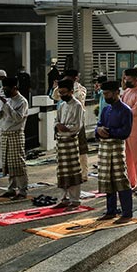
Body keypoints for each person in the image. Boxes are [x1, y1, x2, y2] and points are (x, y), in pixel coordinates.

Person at [96, 81, 134, 223]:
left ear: (116, 92)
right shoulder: (106, 109)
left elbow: (125, 132)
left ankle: (127, 213)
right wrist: (98, 130)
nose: (105, 96)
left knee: (121, 180)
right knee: (108, 179)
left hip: (117, 148)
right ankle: (111, 211)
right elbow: (99, 125)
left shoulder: (125, 110)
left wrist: (109, 132)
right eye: (104, 94)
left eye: (107, 94)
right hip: (105, 149)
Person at [0, 76, 29, 198]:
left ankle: (22, 190)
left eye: (7, 88)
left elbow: (18, 117)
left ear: (15, 88)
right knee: (8, 164)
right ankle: (11, 188)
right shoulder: (8, 101)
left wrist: (6, 105)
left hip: (16, 134)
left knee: (18, 163)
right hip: (5, 134)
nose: (5, 91)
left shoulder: (22, 101)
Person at [51, 69, 88, 176]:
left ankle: (83, 173)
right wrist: (60, 86)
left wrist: (70, 86)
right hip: (63, 121)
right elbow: (55, 96)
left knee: (81, 149)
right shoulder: (62, 94)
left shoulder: (80, 89)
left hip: (77, 122)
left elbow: (77, 98)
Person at [54, 79, 85, 208]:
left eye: (64, 93)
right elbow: (56, 120)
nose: (62, 95)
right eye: (60, 93)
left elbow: (78, 125)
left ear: (71, 92)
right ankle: (64, 198)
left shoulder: (78, 105)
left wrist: (65, 128)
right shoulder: (61, 105)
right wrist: (58, 126)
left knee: (73, 172)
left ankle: (75, 200)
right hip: (61, 142)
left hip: (71, 141)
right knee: (62, 172)